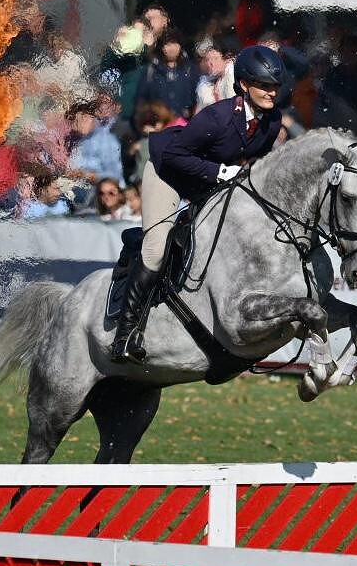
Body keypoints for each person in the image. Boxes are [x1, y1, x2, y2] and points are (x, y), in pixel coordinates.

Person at [109, 44, 285, 363]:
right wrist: (220, 172)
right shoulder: (217, 117)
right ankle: (125, 335)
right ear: (244, 85)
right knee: (156, 248)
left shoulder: (272, 121)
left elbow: (254, 162)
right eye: (264, 85)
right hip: (167, 172)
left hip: (204, 180)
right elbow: (175, 156)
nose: (272, 92)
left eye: (275, 86)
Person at [135, 28, 200, 121]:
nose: (171, 48)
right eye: (167, 44)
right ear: (162, 47)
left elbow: (197, 98)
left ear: (180, 46)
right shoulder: (151, 70)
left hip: (184, 124)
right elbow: (141, 100)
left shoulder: (190, 69)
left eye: (175, 43)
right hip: (159, 124)